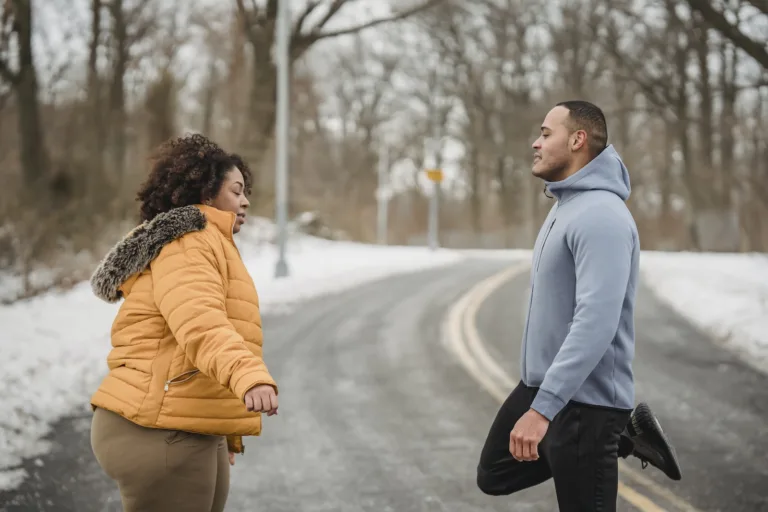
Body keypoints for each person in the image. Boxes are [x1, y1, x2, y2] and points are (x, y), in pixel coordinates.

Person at [476, 101, 682, 510]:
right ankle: (625, 438)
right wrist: (540, 399)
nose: (536, 143)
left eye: (546, 133)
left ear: (577, 139)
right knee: (496, 471)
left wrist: (543, 411)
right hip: (545, 385)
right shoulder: (565, 207)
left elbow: (595, 323)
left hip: (587, 406)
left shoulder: (602, 216)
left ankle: (609, 437)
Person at [88, 134, 278, 512]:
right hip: (157, 428)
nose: (245, 201)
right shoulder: (191, 242)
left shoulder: (210, 242)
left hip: (181, 425)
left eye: (246, 191)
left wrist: (226, 429)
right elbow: (200, 323)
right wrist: (248, 375)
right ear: (206, 192)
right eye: (236, 190)